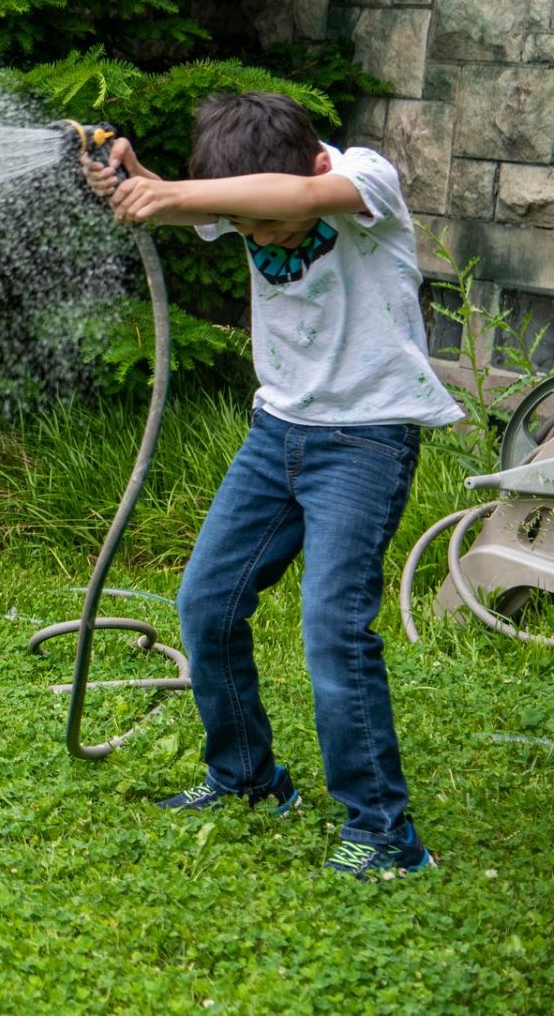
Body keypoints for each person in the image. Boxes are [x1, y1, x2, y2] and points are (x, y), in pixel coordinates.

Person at [83, 91, 461, 880]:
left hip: (365, 440)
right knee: (205, 604)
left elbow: (291, 199)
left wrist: (177, 195)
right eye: (248, 227)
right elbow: (224, 210)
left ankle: (387, 833)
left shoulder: (362, 177)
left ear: (315, 160)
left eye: (263, 227)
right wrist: (138, 182)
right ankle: (249, 779)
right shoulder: (247, 200)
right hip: (276, 434)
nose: (257, 238)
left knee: (332, 628)